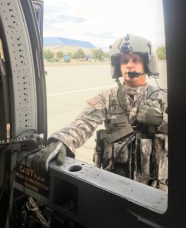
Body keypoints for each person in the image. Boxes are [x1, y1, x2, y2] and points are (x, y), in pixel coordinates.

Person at [31, 34, 168, 191]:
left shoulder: (162, 97)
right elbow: (84, 122)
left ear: (147, 63)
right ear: (118, 67)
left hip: (155, 190)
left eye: (135, 60)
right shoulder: (107, 96)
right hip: (114, 185)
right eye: (124, 61)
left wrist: (161, 120)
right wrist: (60, 141)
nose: (129, 65)